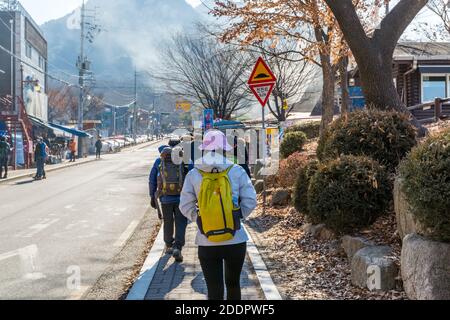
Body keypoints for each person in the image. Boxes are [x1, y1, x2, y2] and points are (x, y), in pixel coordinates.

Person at [179, 130, 257, 300]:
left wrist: (199, 219)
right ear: (223, 149)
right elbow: (251, 200)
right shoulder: (236, 170)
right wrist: (237, 217)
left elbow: (184, 205)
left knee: (214, 289)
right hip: (235, 239)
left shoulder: (194, 173)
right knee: (233, 284)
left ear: (205, 149)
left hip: (206, 240)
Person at [149, 144, 188, 262]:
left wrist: (152, 196)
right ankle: (178, 247)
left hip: (165, 198)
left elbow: (152, 180)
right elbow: (189, 175)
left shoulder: (158, 161)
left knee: (168, 222)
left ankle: (169, 245)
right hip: (180, 198)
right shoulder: (181, 160)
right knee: (181, 222)